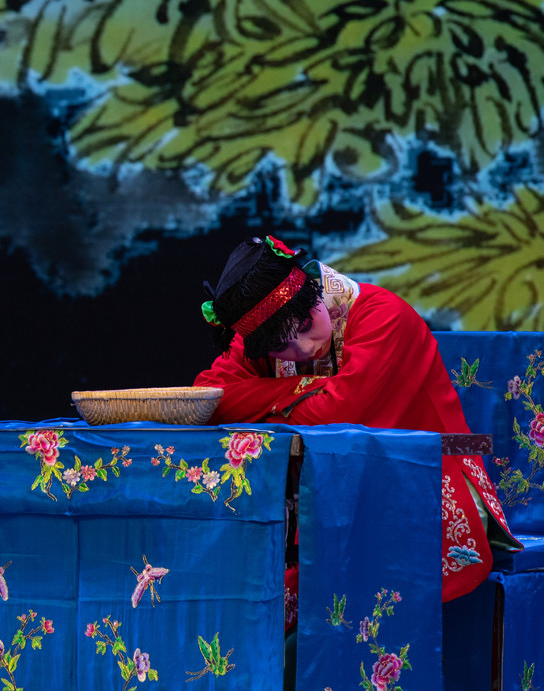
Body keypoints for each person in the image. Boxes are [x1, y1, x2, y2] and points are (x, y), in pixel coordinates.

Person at [194, 235, 518, 603]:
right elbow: (209, 395)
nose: (305, 348)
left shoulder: (384, 315)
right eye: (282, 347)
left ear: (313, 290)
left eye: (306, 324)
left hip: (421, 484)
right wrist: (311, 387)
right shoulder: (265, 330)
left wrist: (264, 406)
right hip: (333, 500)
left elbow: (336, 415)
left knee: (340, 594)